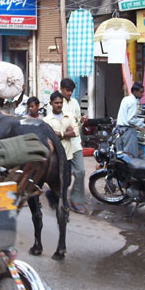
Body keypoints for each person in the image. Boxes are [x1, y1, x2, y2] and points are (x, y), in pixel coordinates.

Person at [60, 78, 87, 214]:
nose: (70, 93)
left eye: (71, 91)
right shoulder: (56, 102)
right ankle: (61, 199)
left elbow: (77, 124)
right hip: (62, 143)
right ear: (61, 89)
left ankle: (76, 199)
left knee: (80, 171)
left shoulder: (75, 102)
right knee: (64, 174)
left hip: (75, 142)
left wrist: (81, 121)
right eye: (67, 90)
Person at [44, 91, 79, 162]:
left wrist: (59, 134)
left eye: (61, 102)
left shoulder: (69, 116)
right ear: (51, 104)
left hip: (67, 156)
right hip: (54, 157)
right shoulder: (46, 120)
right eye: (56, 103)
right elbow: (49, 139)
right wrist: (68, 133)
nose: (59, 105)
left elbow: (76, 132)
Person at [116, 82, 145, 157]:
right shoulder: (133, 102)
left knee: (120, 155)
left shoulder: (125, 99)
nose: (142, 95)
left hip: (119, 130)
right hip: (128, 131)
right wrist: (143, 121)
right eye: (141, 92)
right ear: (135, 92)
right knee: (130, 156)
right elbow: (131, 119)